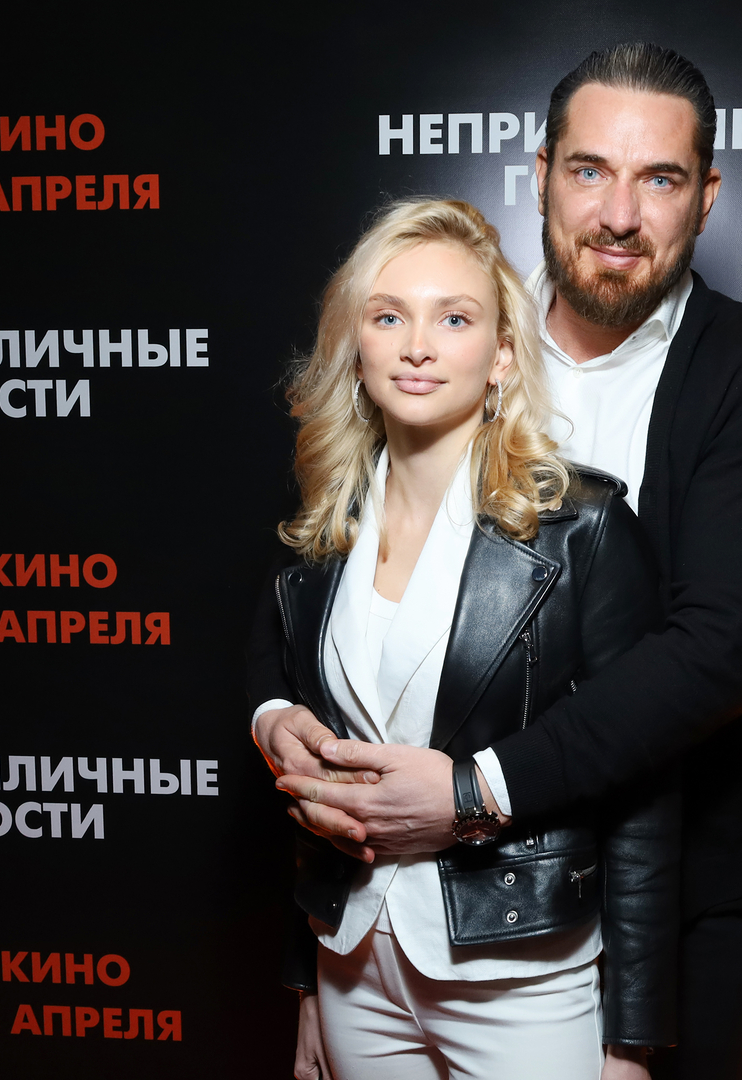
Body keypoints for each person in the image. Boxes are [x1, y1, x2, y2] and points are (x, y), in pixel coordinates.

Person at [250, 44, 742, 1080]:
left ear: (707, 198)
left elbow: (715, 655)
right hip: (408, 911)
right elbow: (318, 603)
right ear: (542, 175)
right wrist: (277, 725)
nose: (619, 214)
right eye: (590, 170)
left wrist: (474, 791)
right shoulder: (450, 346)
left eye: (660, 179)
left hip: (671, 894)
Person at [257, 197, 678, 1080]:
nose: (417, 345)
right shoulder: (322, 531)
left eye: (453, 318)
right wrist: (308, 980)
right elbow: (320, 778)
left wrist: (631, 1041)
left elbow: (644, 788)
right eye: (388, 316)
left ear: (502, 355)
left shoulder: (585, 527)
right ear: (357, 347)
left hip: (521, 978)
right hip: (354, 968)